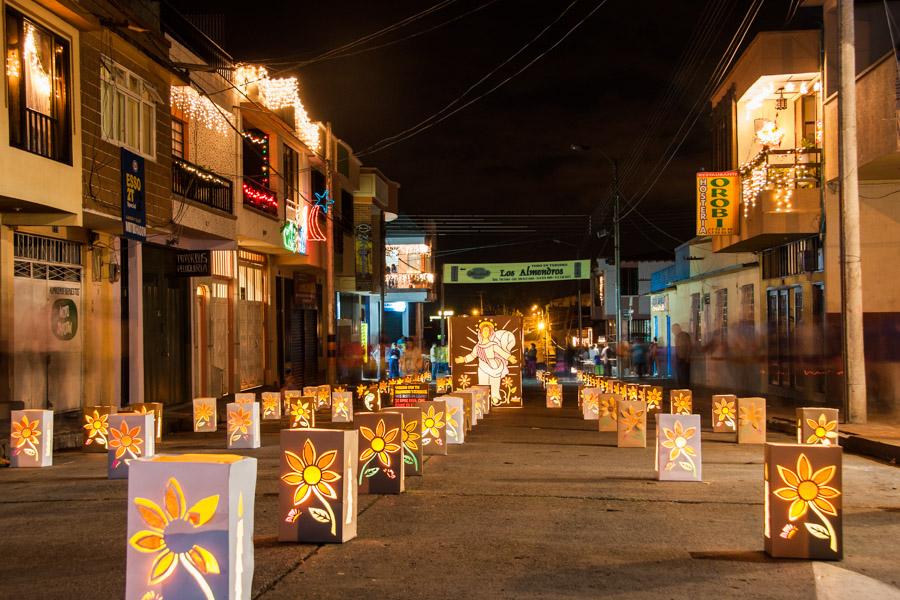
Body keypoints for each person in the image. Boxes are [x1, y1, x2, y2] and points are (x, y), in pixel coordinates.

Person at [454, 318, 517, 404]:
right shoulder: (477, 347)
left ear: (491, 333)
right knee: (483, 383)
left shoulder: (493, 345)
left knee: (495, 382)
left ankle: (495, 396)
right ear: (480, 332)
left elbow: (502, 353)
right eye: (484, 331)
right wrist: (464, 359)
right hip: (482, 367)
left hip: (494, 366)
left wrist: (509, 357)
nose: (486, 332)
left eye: (487, 331)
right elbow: (472, 355)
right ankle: (483, 398)